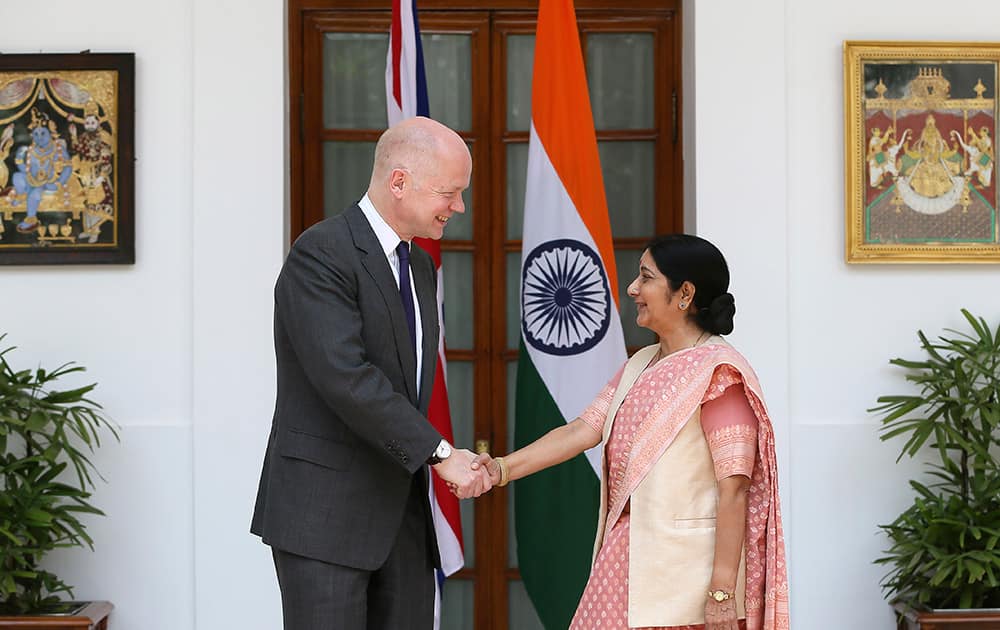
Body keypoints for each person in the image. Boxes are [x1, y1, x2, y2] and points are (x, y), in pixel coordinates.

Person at [471, 234, 789, 629]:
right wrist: (500, 469)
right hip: (625, 559)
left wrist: (722, 592)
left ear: (684, 293)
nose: (632, 288)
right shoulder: (641, 363)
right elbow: (581, 432)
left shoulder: (719, 373)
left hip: (684, 582)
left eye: (646, 277)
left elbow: (735, 489)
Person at [251, 116, 491, 630]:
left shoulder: (421, 266)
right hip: (325, 518)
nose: (459, 207)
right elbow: (347, 377)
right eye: (449, 192)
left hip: (401, 517)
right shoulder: (321, 253)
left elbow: (408, 382)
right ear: (398, 181)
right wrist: (440, 453)